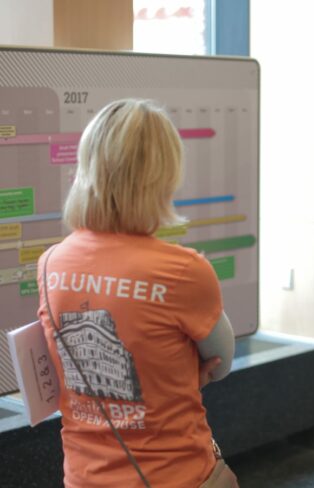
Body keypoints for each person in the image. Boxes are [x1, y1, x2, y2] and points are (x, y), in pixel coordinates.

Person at [37, 99, 239, 488]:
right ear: (162, 176)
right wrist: (180, 372)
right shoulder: (184, 270)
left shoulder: (51, 264)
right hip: (173, 476)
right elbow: (221, 362)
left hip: (84, 476)